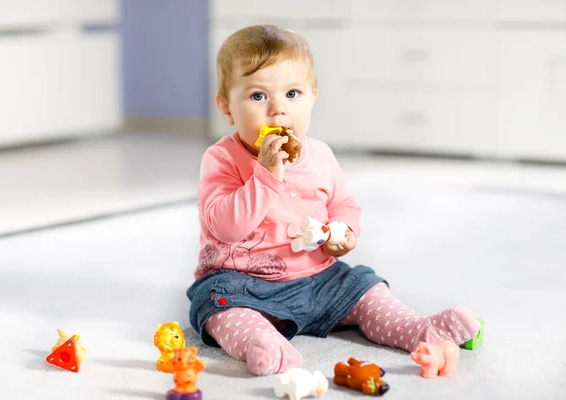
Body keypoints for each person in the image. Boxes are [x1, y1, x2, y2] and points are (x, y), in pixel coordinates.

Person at [186, 24, 480, 376]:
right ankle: (258, 343)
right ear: (227, 108)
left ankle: (419, 329)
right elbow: (226, 226)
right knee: (218, 306)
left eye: (292, 94)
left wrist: (343, 231)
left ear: (313, 96)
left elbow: (343, 204)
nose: (278, 110)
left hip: (318, 277)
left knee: (365, 288)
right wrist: (264, 174)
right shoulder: (221, 159)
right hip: (242, 283)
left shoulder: (321, 156)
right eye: (258, 96)